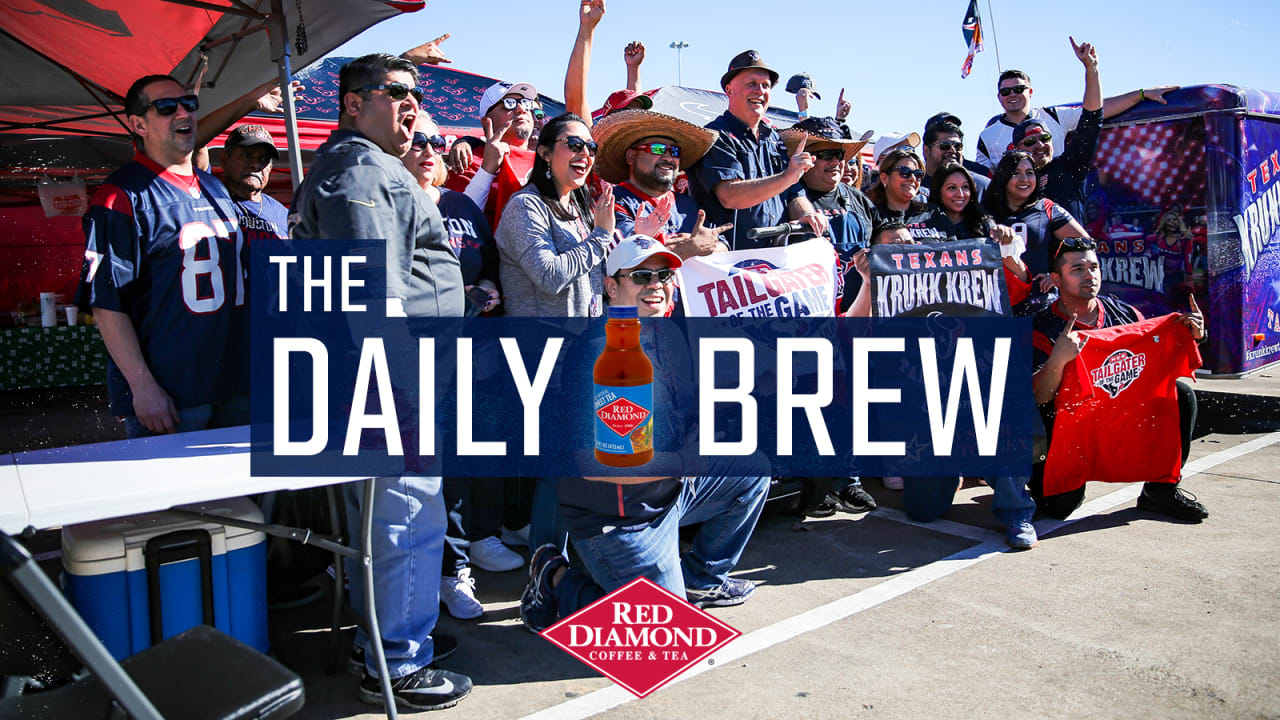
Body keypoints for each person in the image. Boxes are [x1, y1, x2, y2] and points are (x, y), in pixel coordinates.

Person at [288, 53, 471, 712]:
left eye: (416, 93)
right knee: (406, 521)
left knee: (391, 524)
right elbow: (370, 300)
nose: (410, 102)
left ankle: (391, 644)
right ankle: (396, 663)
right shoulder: (363, 168)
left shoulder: (366, 165)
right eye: (394, 91)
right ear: (351, 103)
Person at [519, 235, 771, 631]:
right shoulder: (600, 353)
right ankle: (554, 577)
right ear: (612, 286)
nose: (655, 284)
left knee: (753, 467)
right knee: (663, 635)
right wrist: (689, 460)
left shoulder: (666, 335)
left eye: (664, 274)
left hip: (666, 492)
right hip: (616, 518)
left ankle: (701, 579)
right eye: (641, 275)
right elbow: (596, 466)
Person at [76, 74, 246, 438]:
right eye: (167, 107)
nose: (182, 112)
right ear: (139, 124)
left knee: (243, 494)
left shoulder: (215, 188)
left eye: (189, 104)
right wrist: (141, 385)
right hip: (175, 392)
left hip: (236, 381)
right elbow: (107, 302)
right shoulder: (121, 196)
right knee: (188, 496)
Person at [400, 113, 522, 620]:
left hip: (476, 357)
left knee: (477, 459)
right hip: (417, 364)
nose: (430, 149)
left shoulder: (460, 206)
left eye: (438, 140)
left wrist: (489, 287)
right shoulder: (388, 207)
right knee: (435, 472)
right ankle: (445, 572)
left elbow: (490, 261)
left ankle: (473, 548)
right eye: (418, 140)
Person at [1030, 237, 1209, 522]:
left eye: (1094, 267)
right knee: (1058, 508)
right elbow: (1039, 397)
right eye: (1077, 269)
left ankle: (1161, 491)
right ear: (1056, 279)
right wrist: (1058, 360)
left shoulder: (1124, 313)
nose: (1089, 275)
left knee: (1181, 394)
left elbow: (1155, 363)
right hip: (1067, 421)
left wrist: (1192, 335)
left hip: (1113, 413)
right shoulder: (1041, 325)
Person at [687, 50, 826, 250]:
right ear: (729, 90)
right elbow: (730, 196)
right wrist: (787, 177)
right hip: (728, 264)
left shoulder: (774, 138)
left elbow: (793, 192)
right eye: (751, 83)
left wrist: (807, 214)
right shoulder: (716, 136)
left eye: (766, 85)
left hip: (775, 261)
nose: (760, 91)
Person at [975, 41, 1179, 171]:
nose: (1012, 95)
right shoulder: (987, 136)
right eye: (1006, 91)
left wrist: (1141, 94)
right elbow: (982, 181)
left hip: (1058, 199)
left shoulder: (1053, 116)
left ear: (1030, 92)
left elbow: (1096, 111)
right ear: (999, 97)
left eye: (1019, 89)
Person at [495, 112, 615, 317]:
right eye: (575, 144)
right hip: (541, 344)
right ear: (545, 153)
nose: (586, 153)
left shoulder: (579, 209)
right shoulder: (525, 206)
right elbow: (549, 276)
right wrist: (600, 236)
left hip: (585, 341)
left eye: (591, 147)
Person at [590, 109, 725, 257]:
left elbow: (724, 245)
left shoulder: (689, 205)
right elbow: (628, 250)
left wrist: (705, 245)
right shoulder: (612, 204)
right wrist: (689, 247)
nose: (668, 158)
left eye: (675, 152)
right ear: (631, 157)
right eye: (657, 149)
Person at [1006, 38, 1103, 223]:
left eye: (1045, 138)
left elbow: (1092, 119)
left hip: (1072, 250)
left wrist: (1091, 69)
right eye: (1029, 142)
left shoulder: (1069, 166)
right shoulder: (1009, 183)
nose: (1039, 145)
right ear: (1016, 149)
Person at [982, 150, 1090, 314]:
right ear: (1003, 177)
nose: (1024, 179)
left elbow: (1086, 245)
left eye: (1030, 173)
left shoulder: (1047, 208)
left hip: (1041, 306)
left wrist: (1058, 275)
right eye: (1016, 173)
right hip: (997, 307)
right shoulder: (983, 212)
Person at [445, 80, 541, 229]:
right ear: (486, 122)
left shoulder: (548, 161)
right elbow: (457, 222)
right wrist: (486, 171)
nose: (521, 109)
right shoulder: (467, 160)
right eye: (509, 104)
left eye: (526, 103)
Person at [220, 124, 289, 242]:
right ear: (224, 158)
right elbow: (199, 143)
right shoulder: (209, 196)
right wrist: (250, 105)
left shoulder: (283, 214)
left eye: (263, 159)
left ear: (270, 167)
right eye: (246, 155)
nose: (255, 165)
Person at [864, 146, 948, 242]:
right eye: (904, 172)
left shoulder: (933, 213)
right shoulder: (869, 217)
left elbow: (955, 249)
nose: (912, 178)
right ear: (884, 178)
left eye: (918, 174)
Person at [918, 116, 989, 201]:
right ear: (926, 150)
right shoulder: (914, 186)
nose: (952, 150)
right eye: (944, 145)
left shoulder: (981, 186)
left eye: (957, 146)